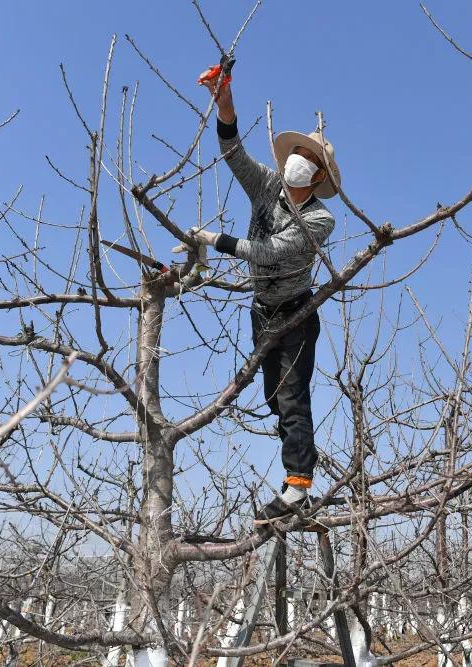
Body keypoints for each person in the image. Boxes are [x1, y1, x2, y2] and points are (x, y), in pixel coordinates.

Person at [177, 71, 341, 525]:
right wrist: (225, 107)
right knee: (274, 396)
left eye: (308, 158)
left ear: (320, 174)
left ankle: (298, 485)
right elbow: (234, 155)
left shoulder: (321, 219)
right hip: (262, 311)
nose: (298, 160)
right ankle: (301, 450)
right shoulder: (268, 187)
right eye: (297, 153)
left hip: (295, 313)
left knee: (291, 396)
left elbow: (273, 254)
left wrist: (217, 241)